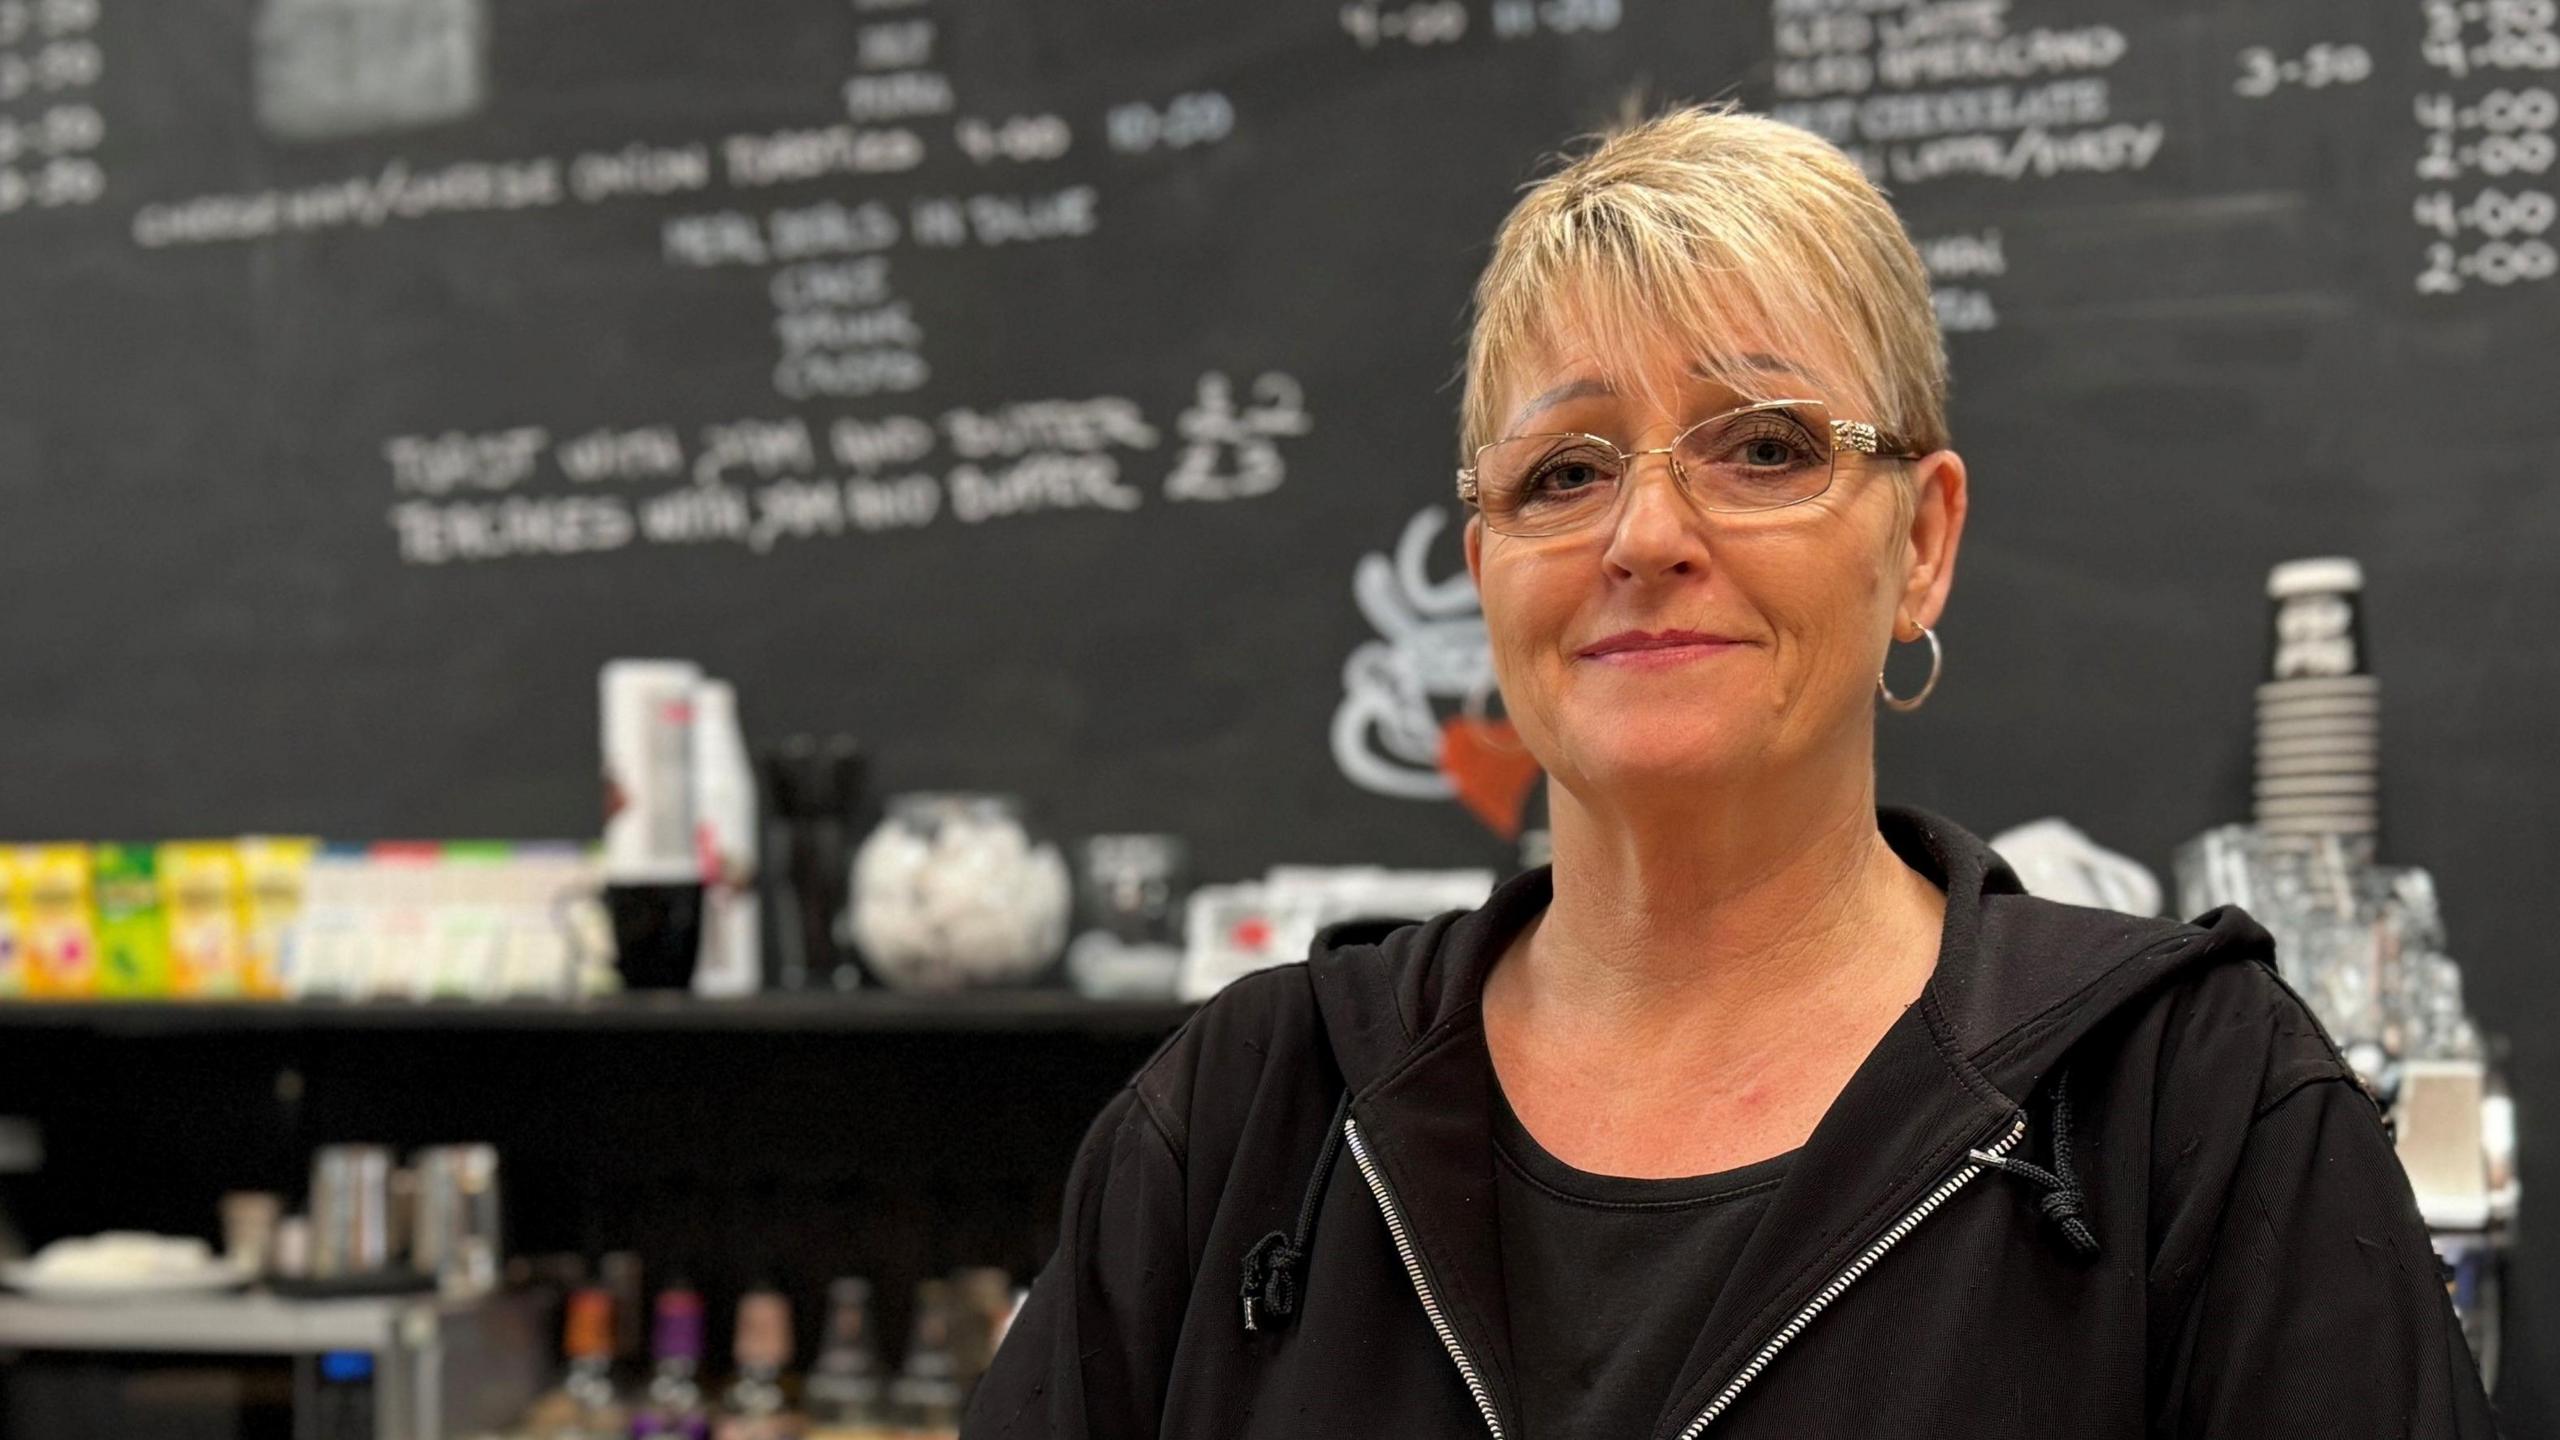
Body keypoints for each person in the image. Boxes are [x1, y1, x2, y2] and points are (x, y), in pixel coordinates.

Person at [963, 103, 2502, 1439]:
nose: (1644, 538)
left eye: (1764, 447)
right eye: (1564, 472)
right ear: (1486, 561)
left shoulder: (2195, 1112)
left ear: (1925, 541)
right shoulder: (1239, 1125)